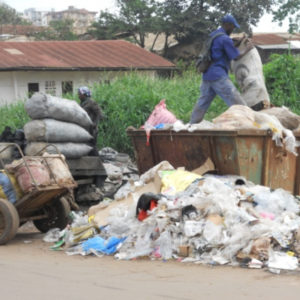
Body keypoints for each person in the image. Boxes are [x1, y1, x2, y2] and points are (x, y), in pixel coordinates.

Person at [190, 14, 254, 124]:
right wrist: (247, 48)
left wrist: (236, 42)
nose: (233, 29)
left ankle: (191, 125)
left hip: (207, 75)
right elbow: (236, 56)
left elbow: (221, 49)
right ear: (227, 25)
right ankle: (249, 124)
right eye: (233, 27)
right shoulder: (225, 39)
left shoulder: (214, 35)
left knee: (202, 103)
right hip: (218, 76)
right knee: (238, 103)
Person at [78, 86, 103, 155]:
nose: (78, 95)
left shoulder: (91, 102)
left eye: (80, 94)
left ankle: (97, 162)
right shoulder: (81, 103)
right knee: (86, 146)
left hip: (92, 130)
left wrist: (95, 124)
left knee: (92, 146)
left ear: (84, 94)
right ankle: (90, 162)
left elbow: (100, 114)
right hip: (85, 129)